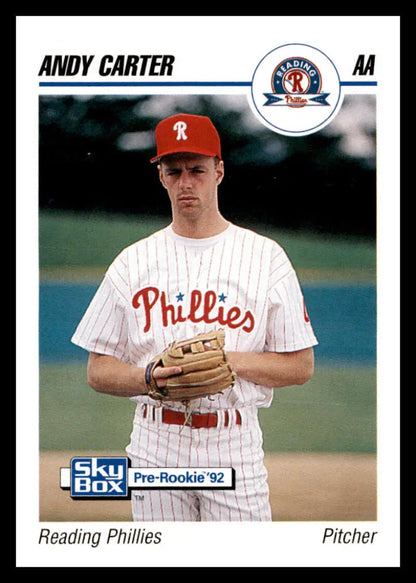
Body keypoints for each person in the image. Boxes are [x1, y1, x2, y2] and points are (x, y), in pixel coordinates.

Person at [71, 112, 318, 521]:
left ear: (219, 171)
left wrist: (228, 362)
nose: (187, 183)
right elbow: (97, 370)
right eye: (175, 171)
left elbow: (301, 365)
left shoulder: (266, 257)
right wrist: (148, 377)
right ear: (162, 177)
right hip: (156, 440)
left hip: (233, 439)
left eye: (198, 170)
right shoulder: (133, 262)